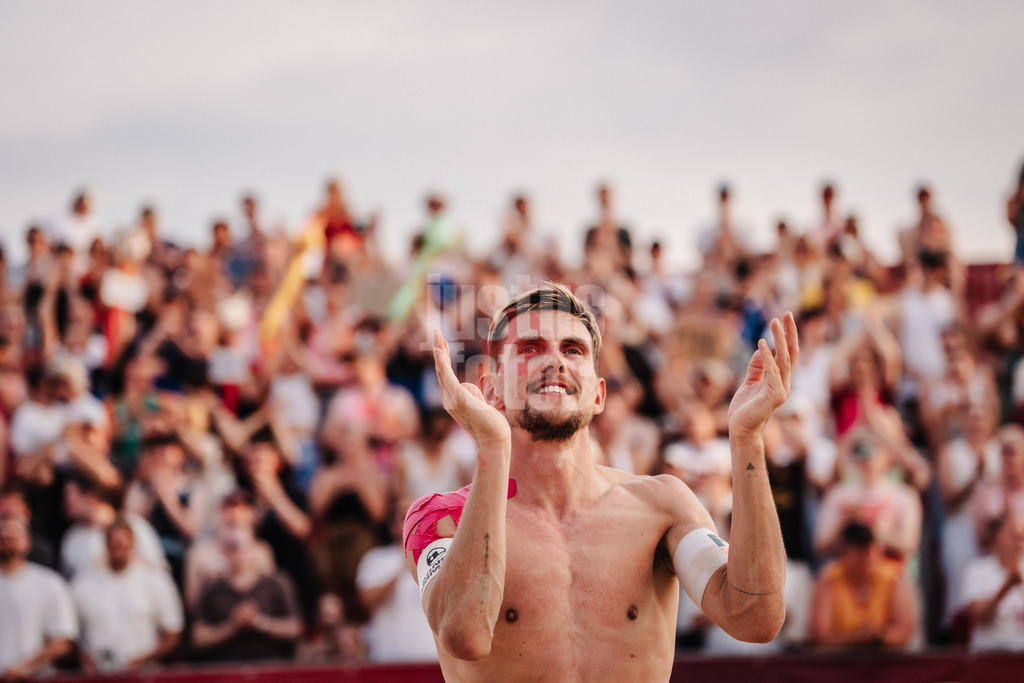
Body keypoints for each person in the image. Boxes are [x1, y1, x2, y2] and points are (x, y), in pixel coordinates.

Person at [403, 284, 797, 682]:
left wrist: (747, 439)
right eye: (530, 348)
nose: (554, 361)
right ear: (492, 391)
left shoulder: (661, 506)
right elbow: (465, 634)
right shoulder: (439, 516)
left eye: (572, 349)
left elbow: (755, 617)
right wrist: (492, 446)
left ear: (598, 394)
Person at [71, 518, 183, 671]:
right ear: (106, 545)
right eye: (113, 544)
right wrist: (83, 657)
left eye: (122, 543)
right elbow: (69, 633)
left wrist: (144, 659)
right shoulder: (83, 585)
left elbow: (173, 633)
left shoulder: (156, 582)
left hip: (143, 673)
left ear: (132, 544)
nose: (118, 549)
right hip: (98, 674)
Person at [809, 521, 916, 650]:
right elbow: (820, 636)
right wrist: (857, 638)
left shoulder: (893, 579)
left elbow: (904, 633)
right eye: (861, 552)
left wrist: (878, 636)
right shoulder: (828, 580)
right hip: (839, 662)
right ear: (845, 553)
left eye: (873, 550)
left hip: (884, 660)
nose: (868, 558)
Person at [0, 518, 78, 680]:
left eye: (13, 538)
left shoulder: (49, 584)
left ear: (27, 542)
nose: (7, 543)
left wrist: (23, 668)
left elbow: (63, 640)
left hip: (35, 678)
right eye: (2, 538)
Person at [960, 514, 1024, 652]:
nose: (1019, 542)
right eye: (1013, 535)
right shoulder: (977, 571)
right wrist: (1006, 588)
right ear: (997, 537)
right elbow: (980, 617)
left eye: (1022, 536)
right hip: (990, 658)